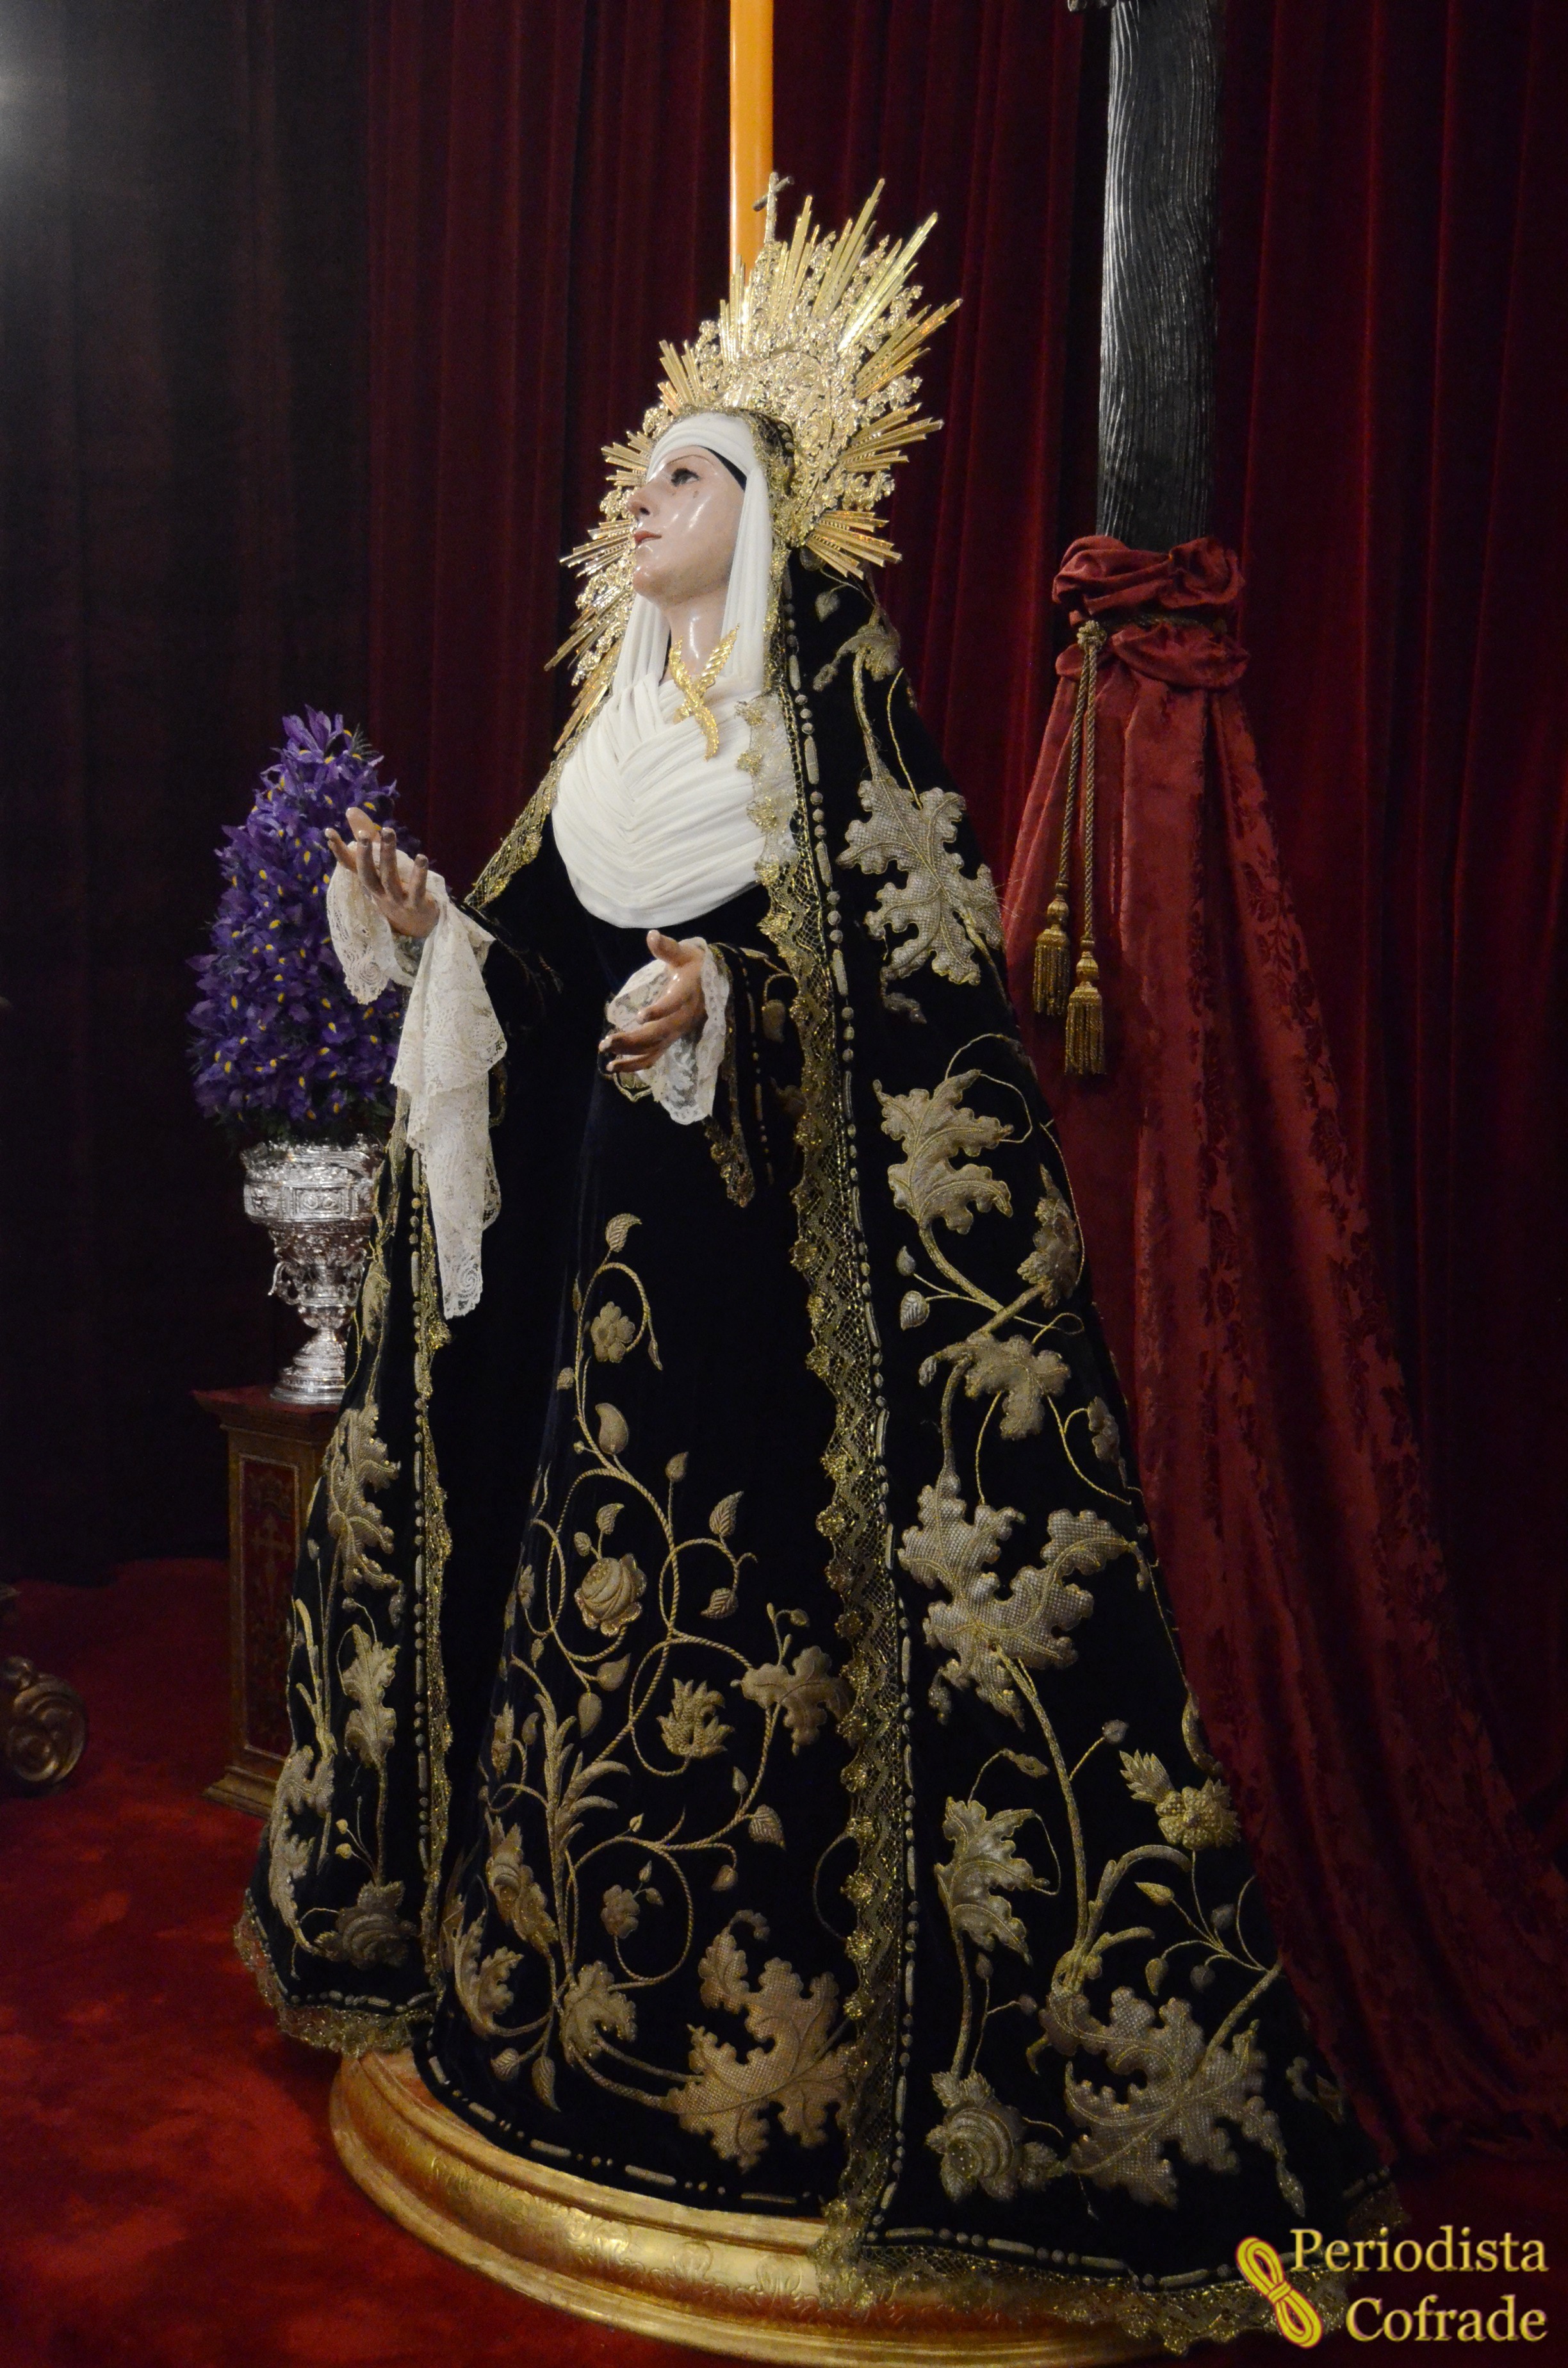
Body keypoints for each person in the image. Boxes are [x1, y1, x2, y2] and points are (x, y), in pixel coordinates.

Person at [240, 194, 1397, 2350]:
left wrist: (733, 1004)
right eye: (638, 475)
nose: (638, 500)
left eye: (682, 477)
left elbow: (916, 1016)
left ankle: (778, 2079)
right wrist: (431, 933)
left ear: (764, 521)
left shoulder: (824, 746)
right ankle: (549, 2021)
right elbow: (540, 985)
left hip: (775, 1337)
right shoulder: (609, 754)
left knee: (754, 1667)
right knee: (581, 1633)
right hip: (593, 1304)